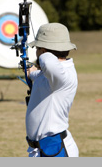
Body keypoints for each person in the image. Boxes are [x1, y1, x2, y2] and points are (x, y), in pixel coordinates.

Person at [25, 22, 79, 157]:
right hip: (43, 149)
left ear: (43, 51)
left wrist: (44, 52)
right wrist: (31, 73)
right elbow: (39, 74)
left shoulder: (61, 74)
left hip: (56, 149)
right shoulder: (51, 74)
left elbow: (48, 62)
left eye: (37, 48)